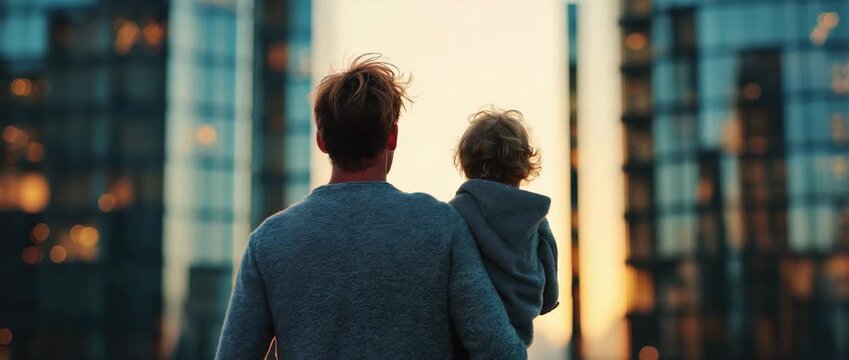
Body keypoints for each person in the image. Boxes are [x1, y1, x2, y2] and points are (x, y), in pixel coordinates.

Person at [215, 55, 526, 359]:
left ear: (321, 141)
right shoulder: (440, 225)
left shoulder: (270, 241)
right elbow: (500, 351)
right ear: (392, 136)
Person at [449, 109, 559, 347]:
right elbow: (550, 298)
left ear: (467, 164)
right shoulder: (538, 223)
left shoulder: (453, 215)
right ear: (523, 167)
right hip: (516, 344)